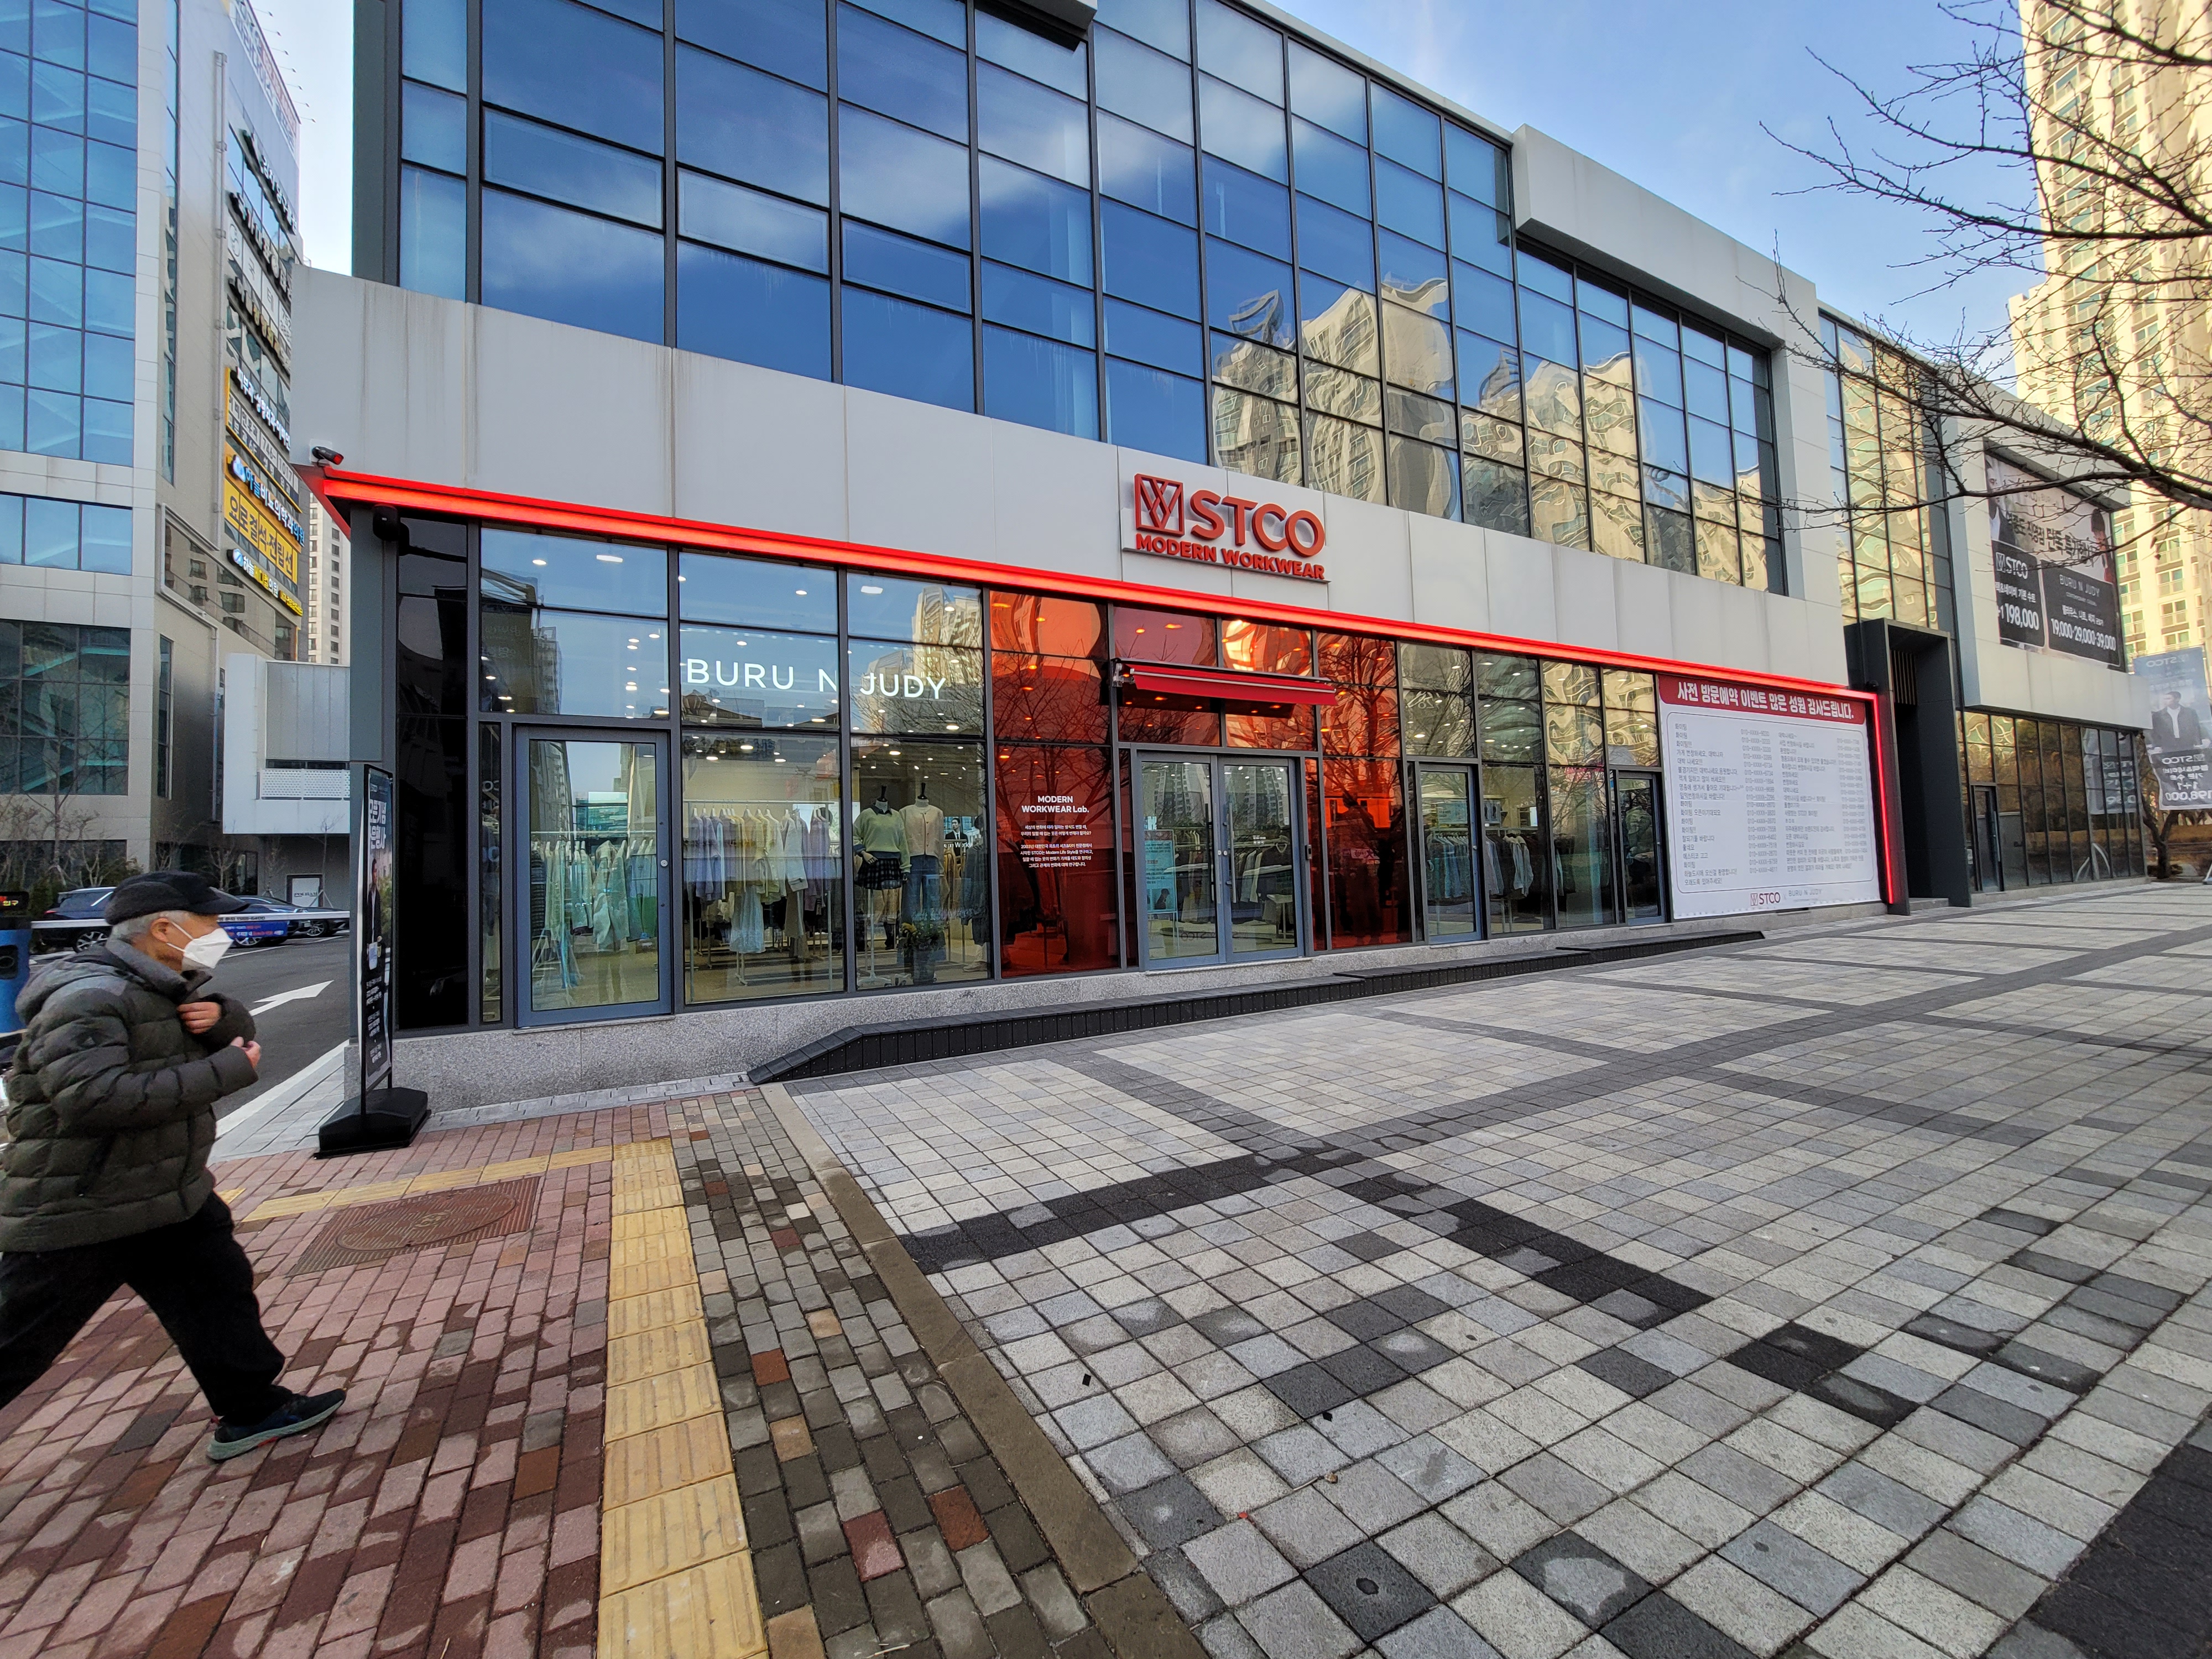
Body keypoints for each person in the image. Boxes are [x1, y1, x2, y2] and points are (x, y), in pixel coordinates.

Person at [0, 873, 343, 1460]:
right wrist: (228, 1070)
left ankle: (252, 1408)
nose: (220, 932)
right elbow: (92, 1098)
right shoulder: (89, 998)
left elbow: (201, 1038)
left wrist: (225, 1018)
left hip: (165, 1193)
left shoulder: (163, 984)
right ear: (164, 928)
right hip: (85, 1204)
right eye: (210, 922)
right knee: (17, 1339)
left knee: (217, 1292)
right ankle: (252, 1406)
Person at [2147, 689, 2203, 753]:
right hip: (2168, 745)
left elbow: (2196, 728)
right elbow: (2156, 732)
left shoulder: (2190, 713)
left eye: (2168, 699)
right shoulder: (2158, 715)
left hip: (2187, 744)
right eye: (2165, 699)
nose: (2165, 701)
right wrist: (2157, 746)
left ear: (2177, 699)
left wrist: (2198, 743)